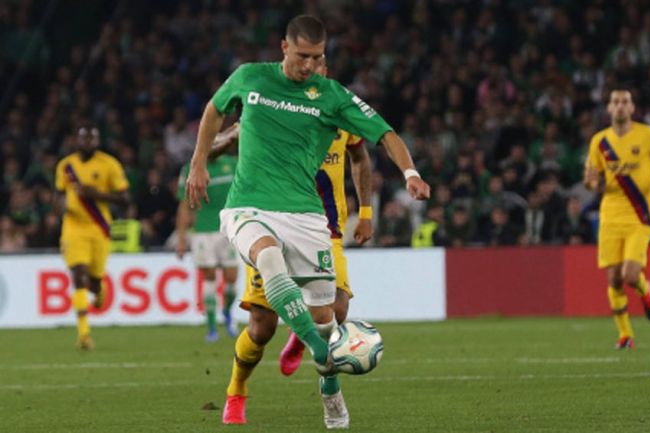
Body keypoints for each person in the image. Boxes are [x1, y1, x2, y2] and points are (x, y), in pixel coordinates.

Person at [184, 15, 430, 429]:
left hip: (307, 218)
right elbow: (214, 109)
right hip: (250, 206)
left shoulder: (331, 96)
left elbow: (383, 134)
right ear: (283, 47)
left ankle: (330, 392)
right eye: (302, 57)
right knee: (265, 280)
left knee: (327, 317)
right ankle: (253, 383)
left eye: (317, 58)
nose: (310, 66)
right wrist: (198, 163)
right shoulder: (250, 78)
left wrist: (410, 173)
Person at [584, 88, 650, 349]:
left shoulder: (647, 135)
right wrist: (592, 184)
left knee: (630, 274)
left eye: (625, 102)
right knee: (613, 279)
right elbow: (591, 178)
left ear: (632, 108)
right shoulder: (599, 142)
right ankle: (625, 335)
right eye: (615, 102)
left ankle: (647, 292)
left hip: (640, 214)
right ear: (609, 109)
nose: (620, 106)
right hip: (611, 215)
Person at [54, 122, 130, 350]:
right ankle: (84, 334)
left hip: (99, 228)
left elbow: (125, 199)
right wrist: (58, 207)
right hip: (73, 228)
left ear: (97, 141)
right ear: (76, 140)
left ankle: (99, 292)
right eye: (84, 138)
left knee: (95, 282)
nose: (88, 142)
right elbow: (57, 194)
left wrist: (97, 194)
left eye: (92, 139)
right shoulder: (66, 166)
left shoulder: (109, 164)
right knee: (78, 273)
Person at [175, 124, 241, 342]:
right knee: (210, 277)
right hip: (203, 230)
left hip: (230, 229)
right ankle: (212, 327)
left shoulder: (232, 164)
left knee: (231, 278)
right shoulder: (190, 169)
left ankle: (228, 313)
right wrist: (182, 237)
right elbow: (184, 206)